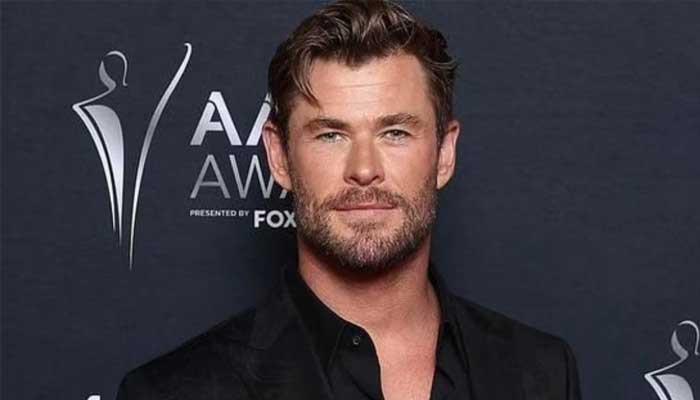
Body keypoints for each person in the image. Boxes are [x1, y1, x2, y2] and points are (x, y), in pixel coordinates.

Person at [116, 1, 582, 399]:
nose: (363, 169)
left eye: (395, 132)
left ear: (444, 154)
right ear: (279, 157)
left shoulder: (541, 373)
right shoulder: (174, 391)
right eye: (331, 135)